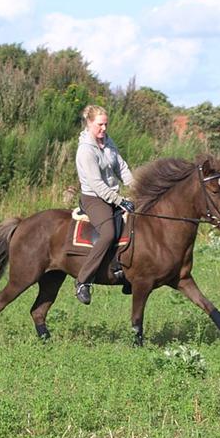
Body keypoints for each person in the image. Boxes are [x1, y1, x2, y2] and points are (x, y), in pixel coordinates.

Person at [74, 104, 134, 304]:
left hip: (112, 195)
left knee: (138, 222)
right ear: (89, 123)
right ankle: (83, 281)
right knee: (108, 233)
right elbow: (97, 185)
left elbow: (122, 168)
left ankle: (129, 273)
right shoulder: (85, 150)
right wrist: (121, 201)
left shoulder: (108, 142)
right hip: (94, 199)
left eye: (106, 124)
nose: (104, 128)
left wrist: (137, 189)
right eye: (100, 124)